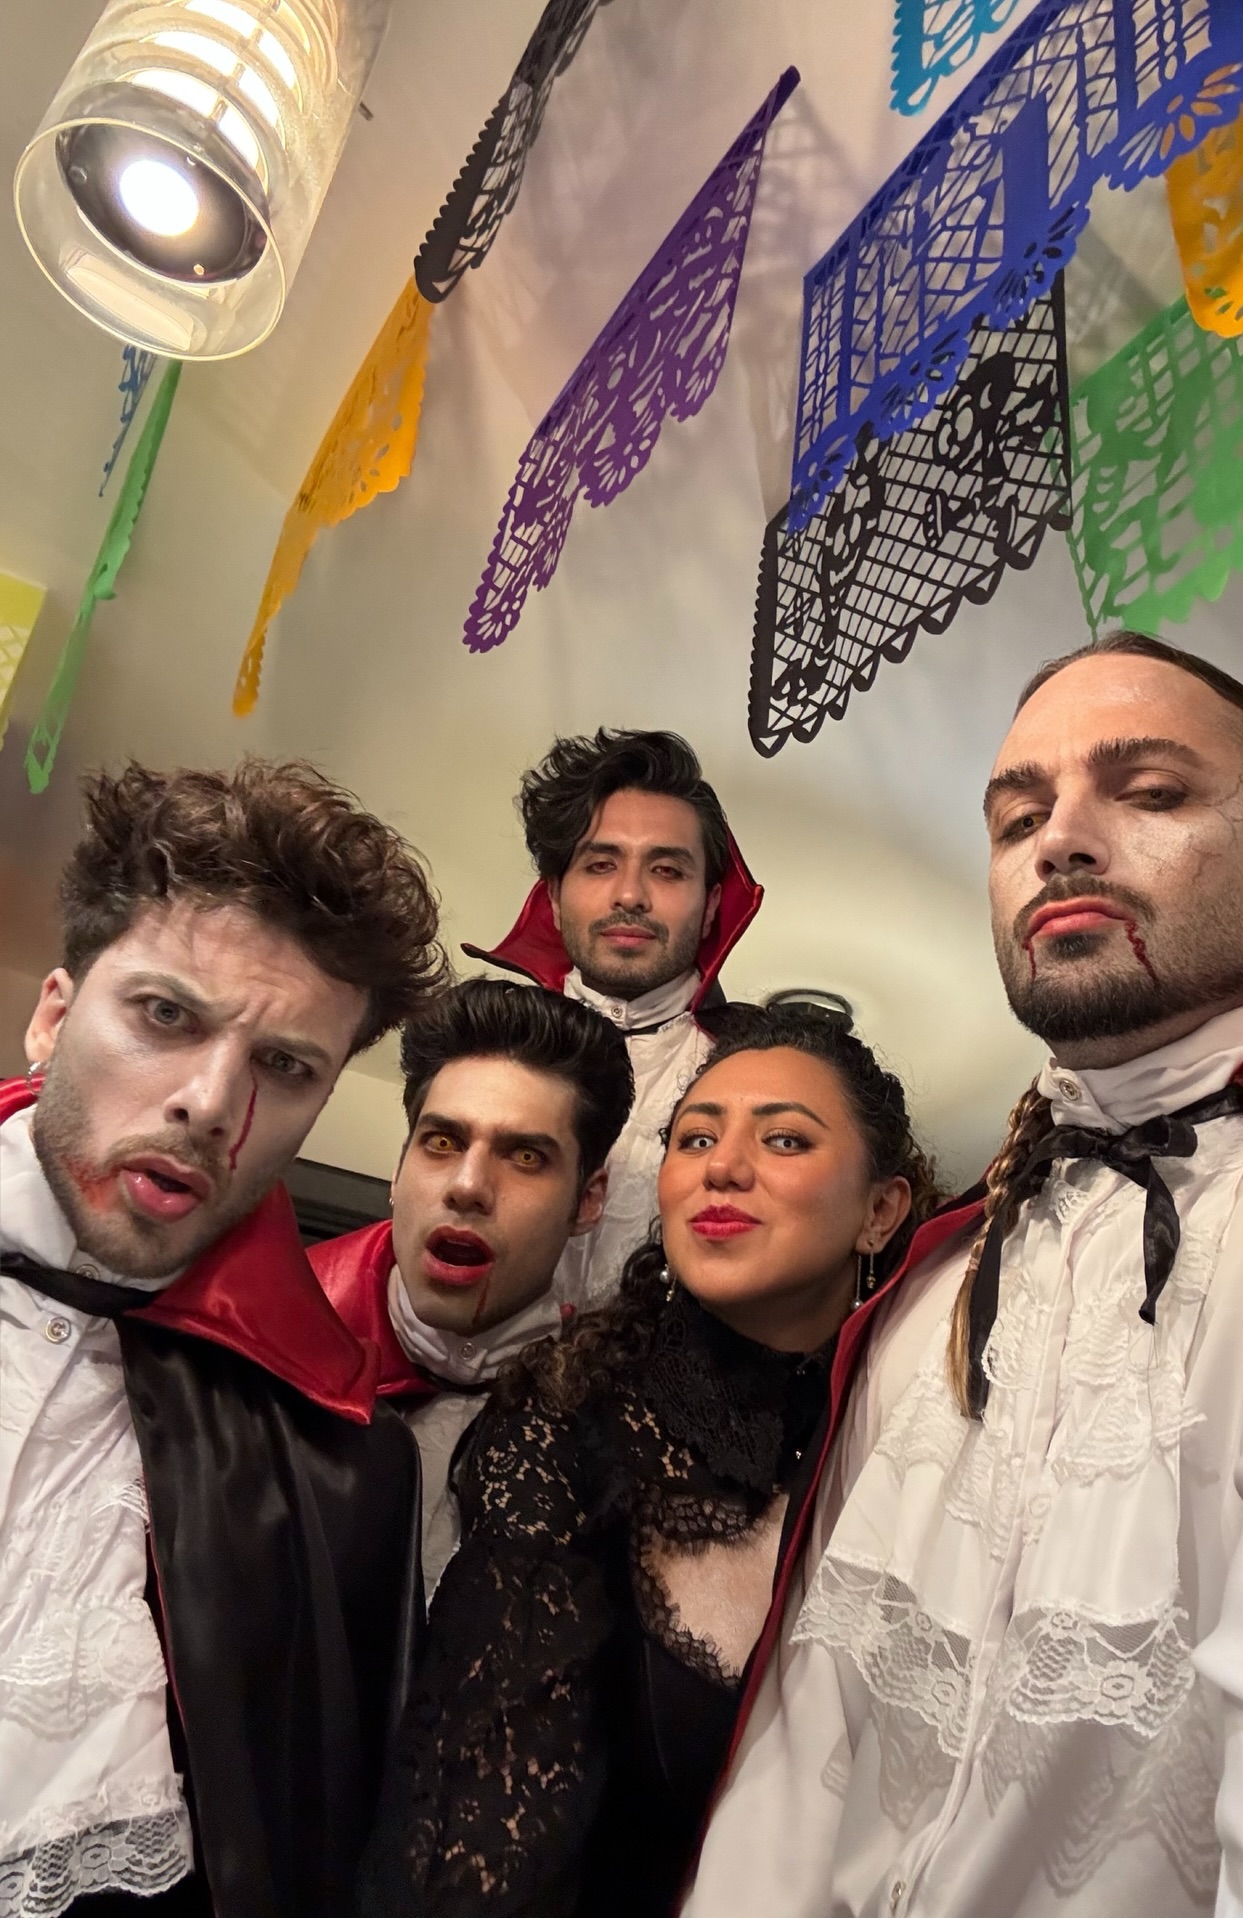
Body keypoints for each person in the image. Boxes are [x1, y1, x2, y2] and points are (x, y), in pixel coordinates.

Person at [685, 631, 1243, 1918]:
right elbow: (802, 1760)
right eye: (1019, 817)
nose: (1063, 842)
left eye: (1151, 793)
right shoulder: (934, 1293)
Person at [357, 1004, 937, 1918]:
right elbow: (474, 1856)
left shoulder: (926, 1434)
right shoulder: (567, 1424)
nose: (722, 1167)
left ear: (881, 1211)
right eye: (695, 1138)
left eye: (784, 1140)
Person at [0, 759, 448, 1918]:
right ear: (52, 1015)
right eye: (165, 1014)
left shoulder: (337, 1468)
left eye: (283, 1067)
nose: (209, 1103)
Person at [311, 979, 635, 1597]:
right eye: (442, 1142)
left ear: (587, 1202)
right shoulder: (262, 1357)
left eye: (526, 1157)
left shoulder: (619, 1438)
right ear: (398, 1169)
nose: (467, 1186)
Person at [462, 729, 762, 1312]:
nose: (630, 895)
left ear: (710, 908)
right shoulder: (475, 1052)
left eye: (667, 870)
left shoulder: (761, 1073)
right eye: (601, 864)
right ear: (553, 898)